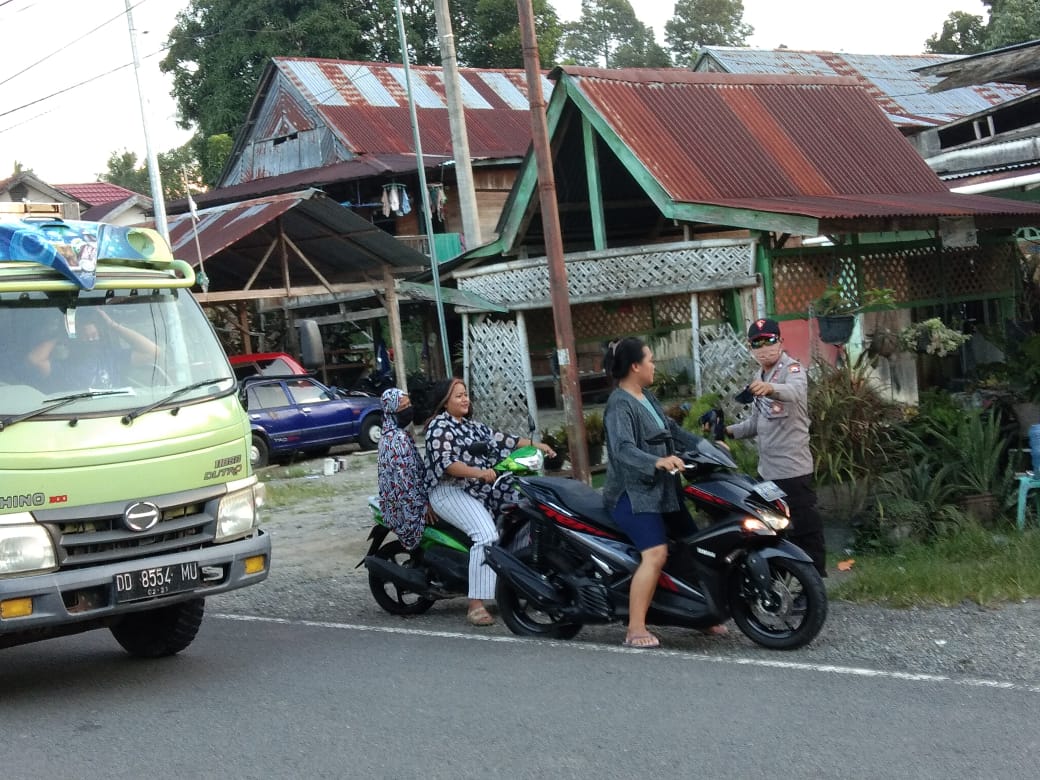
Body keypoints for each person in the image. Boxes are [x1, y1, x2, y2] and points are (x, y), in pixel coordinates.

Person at [602, 337, 725, 649]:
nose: (654, 365)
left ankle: (703, 615)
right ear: (635, 366)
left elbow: (674, 432)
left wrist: (708, 448)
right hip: (633, 493)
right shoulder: (619, 405)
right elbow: (623, 450)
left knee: (697, 547)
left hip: (664, 490)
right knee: (656, 554)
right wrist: (656, 460)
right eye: (651, 359)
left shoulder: (647, 397)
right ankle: (635, 627)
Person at [423, 377, 555, 627]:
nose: (465, 399)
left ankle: (513, 583)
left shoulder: (471, 426)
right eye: (458, 395)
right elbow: (448, 464)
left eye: (465, 394)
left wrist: (537, 445)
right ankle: (475, 604)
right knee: (486, 534)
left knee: (524, 512)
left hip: (476, 489)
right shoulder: (439, 427)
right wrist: (479, 473)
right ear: (444, 402)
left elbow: (504, 440)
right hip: (449, 491)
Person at [725, 318, 827, 577]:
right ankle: (782, 581)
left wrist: (770, 388)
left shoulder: (792, 370)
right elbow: (756, 423)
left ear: (780, 342)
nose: (764, 348)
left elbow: (793, 393)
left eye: (769, 341)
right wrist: (728, 432)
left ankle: (813, 583)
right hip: (768, 474)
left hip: (793, 471)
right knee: (771, 531)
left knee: (805, 529)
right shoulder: (759, 376)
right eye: (757, 343)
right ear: (750, 348)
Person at [26, 307, 158, 391]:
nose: (92, 341)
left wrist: (113, 325)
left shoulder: (111, 359)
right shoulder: (63, 369)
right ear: (73, 339)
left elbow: (153, 352)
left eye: (95, 337)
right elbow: (35, 360)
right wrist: (63, 334)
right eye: (86, 337)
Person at [377, 388, 429, 551]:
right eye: (403, 407)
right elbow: (406, 482)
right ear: (391, 411)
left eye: (409, 404)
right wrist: (426, 504)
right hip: (411, 505)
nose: (409, 409)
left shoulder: (390, 435)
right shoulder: (397, 440)